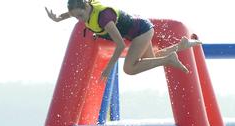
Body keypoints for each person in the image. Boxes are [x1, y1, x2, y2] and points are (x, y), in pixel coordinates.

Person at [45, 0, 202, 79]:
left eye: (80, 15)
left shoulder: (103, 18)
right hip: (141, 28)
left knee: (129, 68)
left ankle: (168, 60)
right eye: (75, 17)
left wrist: (109, 67)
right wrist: (58, 18)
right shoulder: (85, 8)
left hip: (142, 31)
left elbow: (120, 45)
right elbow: (72, 13)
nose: (79, 20)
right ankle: (181, 46)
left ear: (86, 6)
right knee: (150, 59)